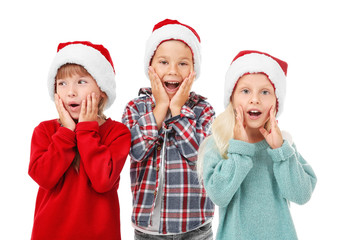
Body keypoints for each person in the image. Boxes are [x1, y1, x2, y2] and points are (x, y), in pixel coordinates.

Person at [197, 50, 317, 240]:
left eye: (265, 92)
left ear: (276, 104)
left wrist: (280, 151)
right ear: (232, 98)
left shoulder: (284, 148)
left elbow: (301, 195)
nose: (255, 99)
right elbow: (219, 196)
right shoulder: (217, 145)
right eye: (245, 91)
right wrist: (240, 149)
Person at [122, 19, 215, 239]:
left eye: (183, 64)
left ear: (194, 70)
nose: (173, 70)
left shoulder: (204, 110)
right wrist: (161, 106)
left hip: (195, 227)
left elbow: (197, 155)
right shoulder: (135, 108)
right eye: (164, 62)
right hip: (148, 230)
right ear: (150, 67)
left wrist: (177, 110)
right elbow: (136, 151)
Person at [28, 41, 131, 240]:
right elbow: (44, 177)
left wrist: (85, 130)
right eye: (62, 83)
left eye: (81, 82)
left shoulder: (118, 132)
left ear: (102, 90)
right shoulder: (45, 131)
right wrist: (66, 132)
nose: (71, 91)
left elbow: (103, 182)